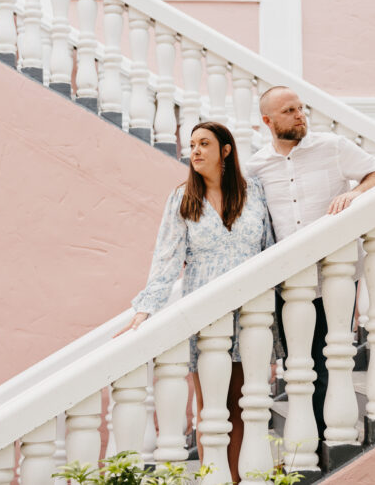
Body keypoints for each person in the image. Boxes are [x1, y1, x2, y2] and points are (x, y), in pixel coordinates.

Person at [118, 121, 274, 484]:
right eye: (192, 145)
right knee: (212, 406)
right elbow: (166, 259)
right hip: (206, 313)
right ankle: (215, 479)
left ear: (226, 150)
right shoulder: (182, 198)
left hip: (250, 312)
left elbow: (270, 249)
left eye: (204, 143)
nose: (196, 151)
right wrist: (145, 309)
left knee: (244, 403)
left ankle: (239, 478)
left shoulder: (256, 193)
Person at [245, 86, 375, 442]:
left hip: (334, 276)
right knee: (297, 363)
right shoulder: (256, 167)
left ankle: (329, 439)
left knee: (329, 357)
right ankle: (305, 436)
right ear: (268, 121)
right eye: (288, 110)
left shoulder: (334, 147)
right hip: (289, 280)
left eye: (300, 108)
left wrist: (355, 193)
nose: (299, 115)